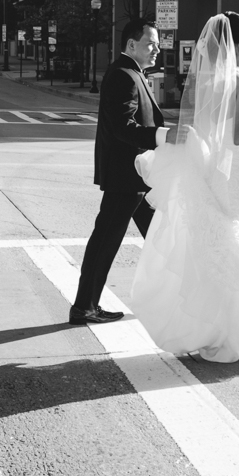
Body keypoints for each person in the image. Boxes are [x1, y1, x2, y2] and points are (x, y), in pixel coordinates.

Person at [129, 11, 239, 362]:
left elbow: (209, 131)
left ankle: (217, 330)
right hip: (238, 174)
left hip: (213, 171)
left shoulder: (204, 85)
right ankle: (236, 333)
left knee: (221, 249)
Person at [70, 17, 175, 325]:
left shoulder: (133, 73)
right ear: (132, 44)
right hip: (125, 177)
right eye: (151, 43)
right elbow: (122, 128)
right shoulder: (123, 76)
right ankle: (84, 306)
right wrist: (164, 136)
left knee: (160, 236)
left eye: (156, 43)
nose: (156, 49)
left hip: (137, 177)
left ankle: (174, 299)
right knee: (107, 240)